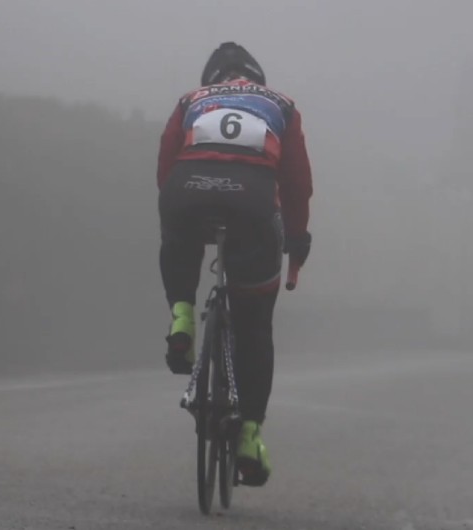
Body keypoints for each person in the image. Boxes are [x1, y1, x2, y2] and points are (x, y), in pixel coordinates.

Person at [156, 41, 313, 487]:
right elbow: (297, 183)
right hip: (254, 201)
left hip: (188, 187)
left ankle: (182, 317)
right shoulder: (282, 105)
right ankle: (249, 434)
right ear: (256, 79)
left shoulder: (190, 100)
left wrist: (178, 224)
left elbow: (166, 167)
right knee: (255, 323)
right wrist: (297, 239)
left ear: (212, 81)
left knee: (180, 234)